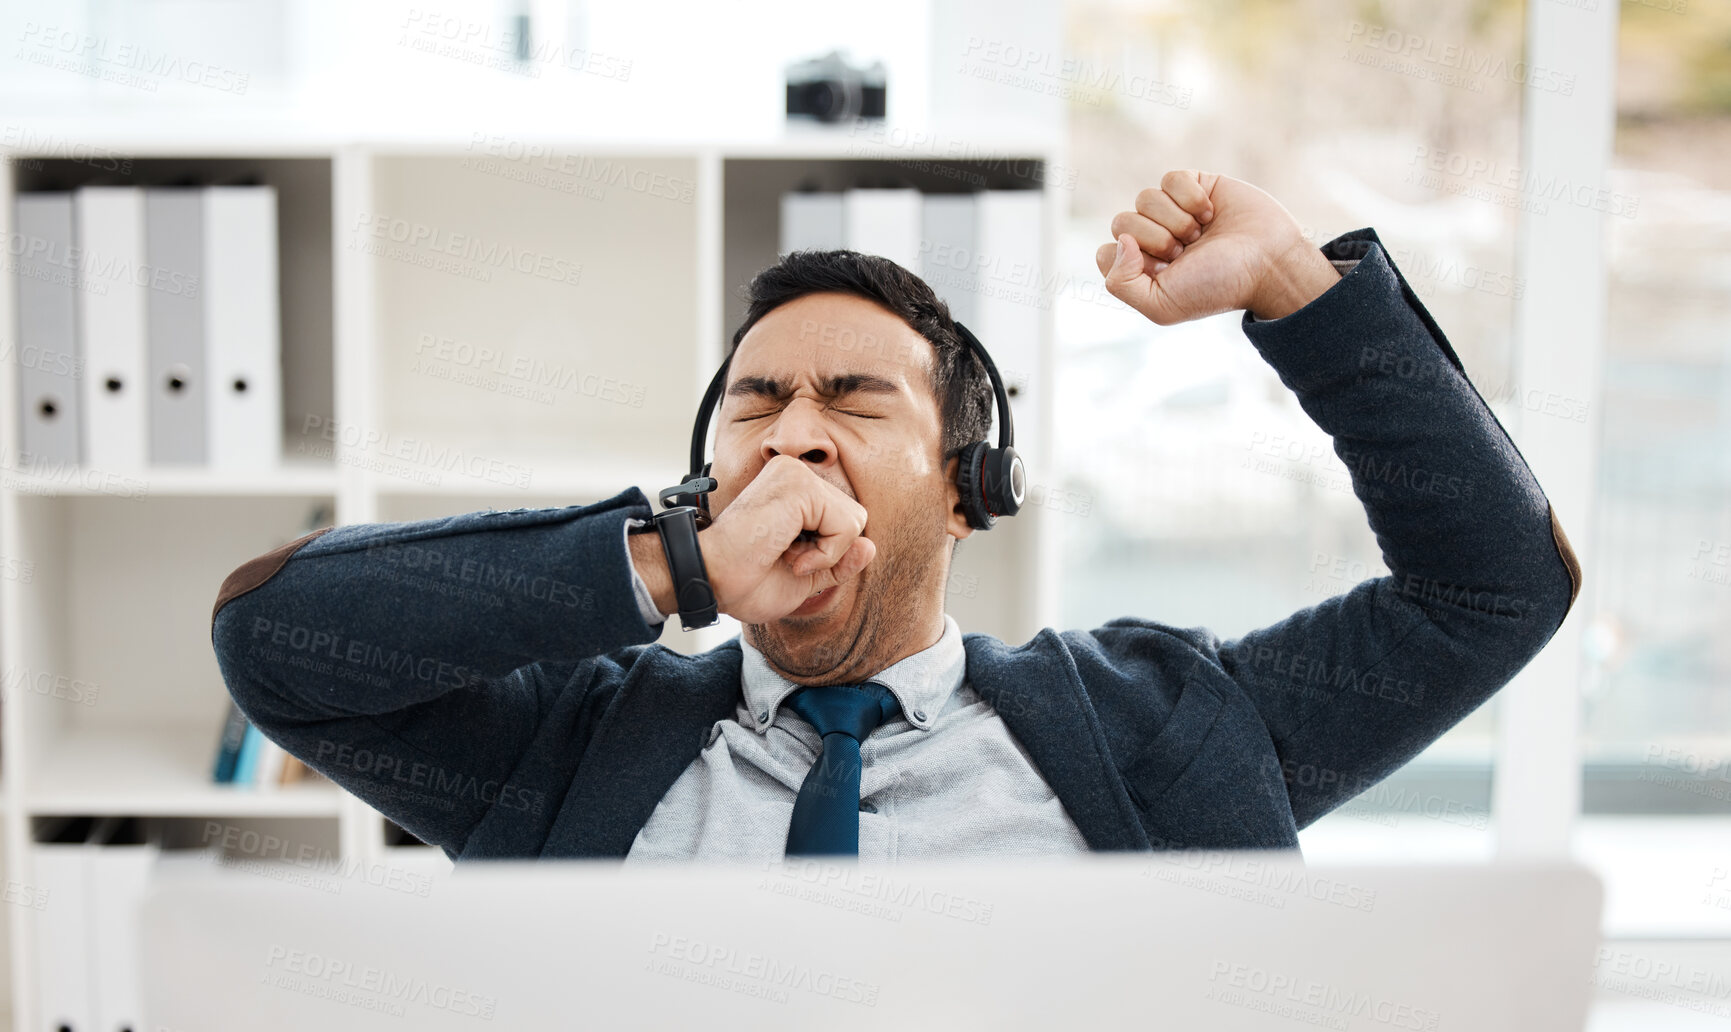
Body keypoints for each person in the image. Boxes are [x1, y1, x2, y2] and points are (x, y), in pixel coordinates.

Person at [210, 170, 1580, 861]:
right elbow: (282, 644)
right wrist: (665, 565)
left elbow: (1494, 589)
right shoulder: (567, 752)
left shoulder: (1171, 728)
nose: (794, 432)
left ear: (967, 492)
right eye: (757, 407)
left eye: (854, 400)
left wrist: (1294, 280)